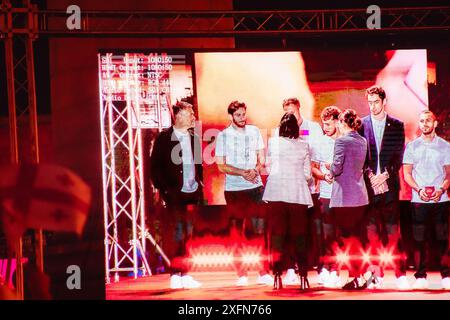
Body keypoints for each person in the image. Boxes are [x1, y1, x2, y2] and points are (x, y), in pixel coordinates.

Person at [215, 101, 273, 286]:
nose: (242, 118)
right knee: (237, 233)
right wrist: (242, 173)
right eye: (238, 115)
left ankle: (264, 271)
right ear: (231, 116)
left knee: (259, 230)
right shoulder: (223, 136)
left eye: (243, 114)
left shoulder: (254, 131)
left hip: (255, 187)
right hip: (234, 191)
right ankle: (242, 274)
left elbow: (262, 158)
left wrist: (256, 170)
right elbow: (221, 165)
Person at [358, 85, 408, 290]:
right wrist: (371, 176)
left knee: (393, 230)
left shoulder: (396, 125)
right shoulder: (361, 124)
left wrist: (385, 175)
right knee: (371, 234)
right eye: (369, 102)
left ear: (384, 101)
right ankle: (374, 276)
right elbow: (361, 155)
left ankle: (400, 273)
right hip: (369, 188)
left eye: (375, 102)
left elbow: (399, 154)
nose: (372, 106)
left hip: (389, 185)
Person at [150, 100, 203, 289]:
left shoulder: (193, 138)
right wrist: (165, 190)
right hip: (174, 194)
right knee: (176, 233)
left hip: (192, 194)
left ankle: (186, 273)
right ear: (179, 115)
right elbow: (155, 168)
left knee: (189, 234)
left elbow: (199, 166)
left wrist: (200, 185)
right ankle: (175, 274)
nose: (193, 117)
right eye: (190, 114)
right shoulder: (164, 138)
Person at [263, 113, 313, 288]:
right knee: (300, 237)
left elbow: (268, 168)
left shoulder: (273, 143)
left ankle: (277, 275)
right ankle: (304, 277)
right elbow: (307, 175)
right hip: (297, 194)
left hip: (276, 193)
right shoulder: (304, 145)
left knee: (277, 237)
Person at [402, 110, 450, 290]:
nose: (424, 124)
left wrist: (441, 189)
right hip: (418, 200)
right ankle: (421, 274)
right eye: (421, 121)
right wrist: (419, 189)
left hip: (441, 200)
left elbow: (448, 174)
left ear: (435, 124)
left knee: (442, 237)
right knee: (419, 238)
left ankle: (446, 274)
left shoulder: (445, 146)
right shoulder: (412, 147)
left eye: (428, 121)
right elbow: (407, 173)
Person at [278, 97, 324, 280]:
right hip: (290, 190)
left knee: (314, 230)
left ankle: (321, 268)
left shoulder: (313, 129)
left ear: (299, 109)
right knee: (291, 230)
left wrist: (317, 178)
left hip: (311, 188)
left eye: (293, 112)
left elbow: (318, 155)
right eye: (287, 113)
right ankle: (291, 267)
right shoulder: (279, 131)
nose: (291, 116)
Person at [325, 109, 369, 290]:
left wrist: (329, 168)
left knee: (347, 239)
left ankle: (357, 276)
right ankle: (361, 274)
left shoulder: (341, 141)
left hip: (345, 198)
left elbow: (336, 167)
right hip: (359, 196)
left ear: (343, 123)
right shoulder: (362, 140)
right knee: (357, 238)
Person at [311, 106, 342, 288]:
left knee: (342, 235)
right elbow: (314, 167)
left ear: (338, 122)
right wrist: (324, 176)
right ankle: (329, 268)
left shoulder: (346, 141)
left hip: (345, 196)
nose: (325, 127)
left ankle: (337, 269)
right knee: (327, 234)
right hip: (326, 195)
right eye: (324, 123)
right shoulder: (319, 142)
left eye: (329, 123)